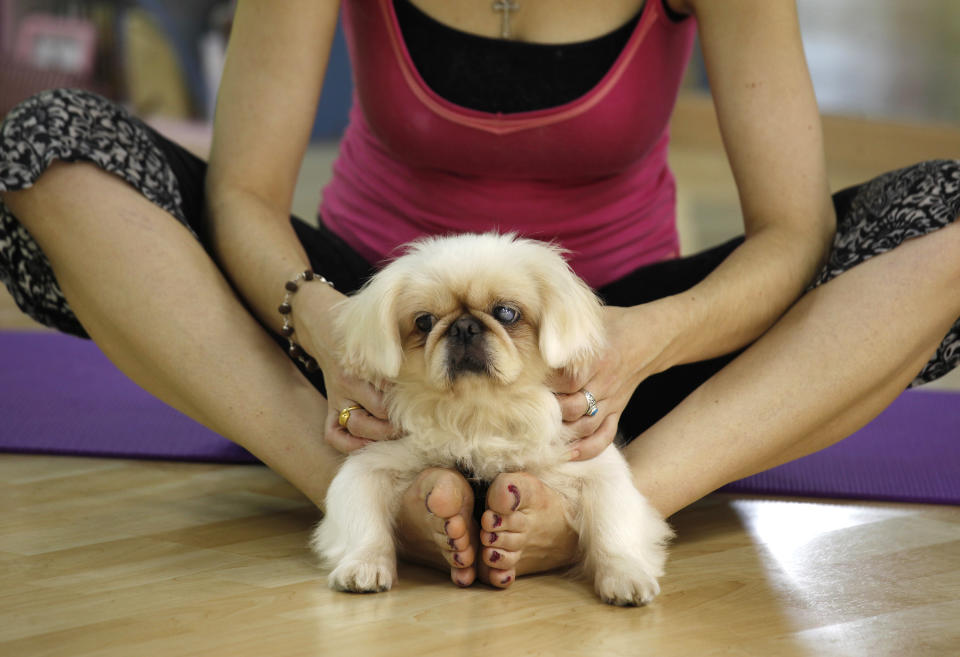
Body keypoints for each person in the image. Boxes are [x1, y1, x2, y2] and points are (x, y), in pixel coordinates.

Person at [1, 0, 958, 592]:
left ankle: (592, 509)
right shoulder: (353, 333)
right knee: (49, 148)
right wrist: (329, 322)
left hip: (609, 367)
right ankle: (367, 491)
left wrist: (648, 338)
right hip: (366, 358)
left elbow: (792, 233)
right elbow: (244, 194)